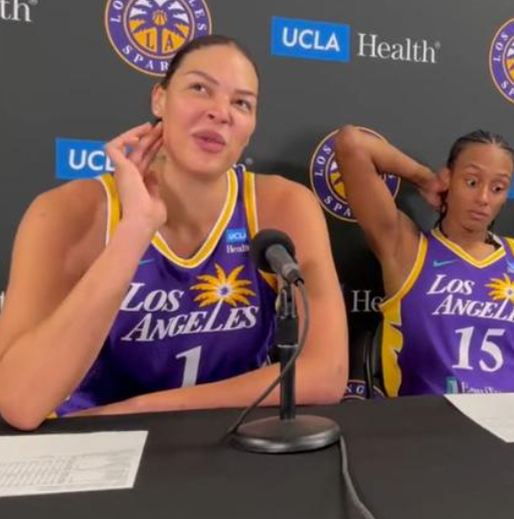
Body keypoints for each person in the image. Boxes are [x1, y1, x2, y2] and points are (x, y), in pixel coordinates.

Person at [0, 35, 348, 430]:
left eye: (241, 103)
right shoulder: (66, 213)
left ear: (250, 128)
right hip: (96, 449)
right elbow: (20, 402)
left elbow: (326, 372)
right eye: (200, 88)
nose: (220, 112)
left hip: (232, 438)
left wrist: (142, 410)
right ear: (159, 99)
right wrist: (134, 231)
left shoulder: (283, 205)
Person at [335, 127, 514, 396]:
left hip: (511, 424)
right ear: (448, 179)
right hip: (429, 425)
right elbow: (351, 143)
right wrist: (424, 178)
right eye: (471, 182)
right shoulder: (407, 248)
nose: (483, 198)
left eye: (498, 188)